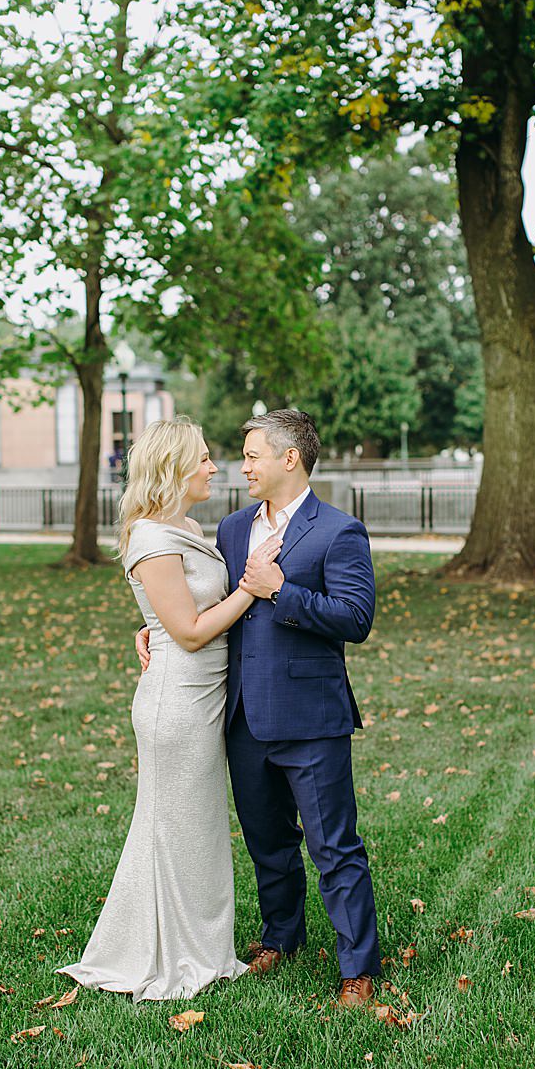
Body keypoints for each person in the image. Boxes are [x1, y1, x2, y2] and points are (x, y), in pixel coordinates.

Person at [136, 409, 381, 1009]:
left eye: (251, 456)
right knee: (267, 841)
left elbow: (356, 619)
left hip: (311, 716)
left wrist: (283, 592)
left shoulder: (338, 532)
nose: (239, 466)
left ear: (288, 458)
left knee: (333, 847)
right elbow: (194, 599)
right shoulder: (230, 529)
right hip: (241, 715)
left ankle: (358, 968)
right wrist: (151, 631)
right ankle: (280, 938)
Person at [59, 418, 261, 1001]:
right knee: (174, 828)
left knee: (192, 829)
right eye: (203, 458)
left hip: (202, 696)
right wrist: (251, 587)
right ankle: (167, 954)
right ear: (174, 467)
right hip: (177, 702)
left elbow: (174, 611)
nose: (213, 468)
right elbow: (192, 631)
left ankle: (198, 944)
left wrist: (150, 626)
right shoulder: (150, 536)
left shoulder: (187, 527)